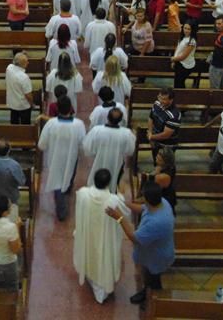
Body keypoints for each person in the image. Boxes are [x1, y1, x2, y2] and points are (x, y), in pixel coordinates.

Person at [105, 181, 175, 307]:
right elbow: (142, 208)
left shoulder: (157, 222)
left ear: (147, 199)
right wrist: (123, 204)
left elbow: (134, 237)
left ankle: (153, 302)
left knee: (154, 279)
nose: (142, 199)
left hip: (157, 256)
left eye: (143, 197)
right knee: (148, 276)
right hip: (152, 251)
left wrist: (119, 217)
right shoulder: (161, 202)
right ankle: (146, 292)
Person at [73, 168, 129, 303]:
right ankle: (101, 290)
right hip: (105, 239)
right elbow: (126, 214)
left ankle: (91, 279)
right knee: (103, 260)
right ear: (108, 183)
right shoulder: (113, 200)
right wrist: (121, 194)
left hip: (88, 235)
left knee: (90, 255)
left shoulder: (83, 194)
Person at [38, 95, 86, 221]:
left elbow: (41, 145)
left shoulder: (51, 124)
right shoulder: (79, 124)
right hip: (71, 158)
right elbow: (83, 145)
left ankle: (62, 208)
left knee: (57, 183)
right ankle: (63, 206)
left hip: (55, 158)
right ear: (70, 108)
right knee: (68, 176)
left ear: (57, 108)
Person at [83, 108, 135, 193]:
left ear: (107, 118)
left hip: (98, 161)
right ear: (120, 120)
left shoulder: (97, 130)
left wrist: (96, 152)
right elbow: (130, 150)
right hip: (117, 163)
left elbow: (88, 147)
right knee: (114, 184)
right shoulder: (126, 133)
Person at [147, 87, 181, 160]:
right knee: (156, 160)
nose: (160, 101)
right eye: (159, 97)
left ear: (171, 100)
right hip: (155, 139)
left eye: (164, 99)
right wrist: (150, 133)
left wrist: (151, 137)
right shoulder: (157, 103)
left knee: (165, 165)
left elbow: (166, 135)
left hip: (167, 145)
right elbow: (151, 118)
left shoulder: (174, 115)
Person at [5, 53, 33, 125]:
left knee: (14, 124)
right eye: (26, 61)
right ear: (22, 64)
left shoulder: (9, 68)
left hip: (12, 104)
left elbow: (12, 63)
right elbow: (28, 95)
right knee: (25, 125)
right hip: (23, 106)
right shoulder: (24, 77)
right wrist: (32, 104)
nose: (28, 63)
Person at [146, 146, 177, 213]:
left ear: (165, 160)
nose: (157, 156)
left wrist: (154, 173)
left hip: (163, 201)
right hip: (161, 196)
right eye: (158, 154)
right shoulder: (164, 167)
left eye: (160, 155)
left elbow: (150, 189)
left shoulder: (163, 176)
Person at [171, 23, 196, 89]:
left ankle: (181, 97)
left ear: (192, 30)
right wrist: (174, 60)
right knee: (177, 83)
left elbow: (183, 57)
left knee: (179, 84)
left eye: (189, 29)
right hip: (178, 61)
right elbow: (177, 49)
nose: (186, 30)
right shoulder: (182, 37)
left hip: (186, 65)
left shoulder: (192, 41)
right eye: (185, 28)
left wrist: (173, 59)